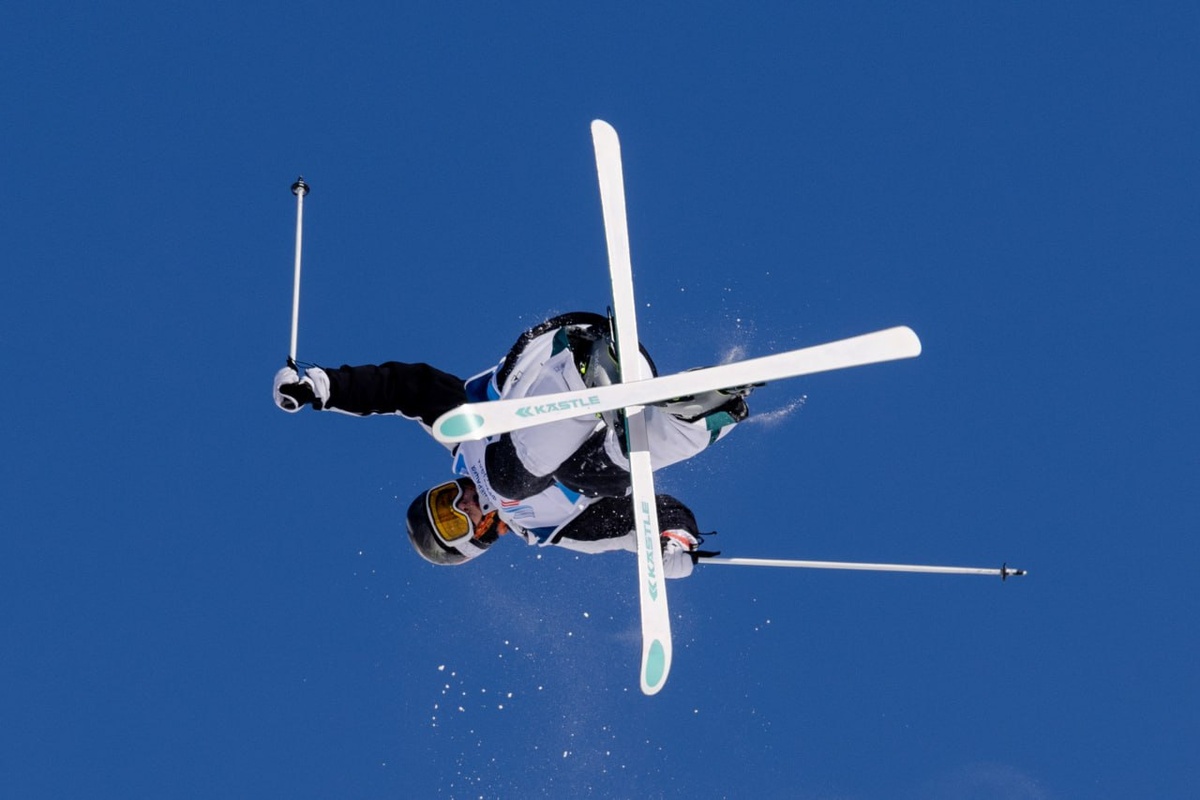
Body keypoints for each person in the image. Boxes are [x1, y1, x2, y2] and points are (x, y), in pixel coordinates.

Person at [273, 312, 751, 578]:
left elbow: (401, 387)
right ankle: (700, 414)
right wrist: (671, 540)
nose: (459, 504)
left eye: (442, 501)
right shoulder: (548, 528)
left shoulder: (462, 434)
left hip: (561, 354)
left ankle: (588, 376)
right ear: (475, 540)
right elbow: (638, 520)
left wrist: (322, 387)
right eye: (452, 520)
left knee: (507, 482)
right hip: (621, 409)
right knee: (595, 475)